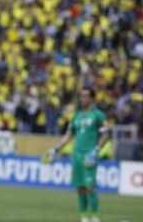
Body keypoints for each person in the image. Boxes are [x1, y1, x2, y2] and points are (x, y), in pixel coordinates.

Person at [43, 87, 108, 222]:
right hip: (76, 155)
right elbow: (69, 136)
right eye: (81, 96)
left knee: (90, 187)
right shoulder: (76, 116)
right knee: (80, 187)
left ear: (92, 99)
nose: (82, 99)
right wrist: (55, 149)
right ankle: (84, 217)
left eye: (85, 96)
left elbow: (105, 135)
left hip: (89, 154)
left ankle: (95, 217)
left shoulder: (98, 115)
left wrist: (96, 151)